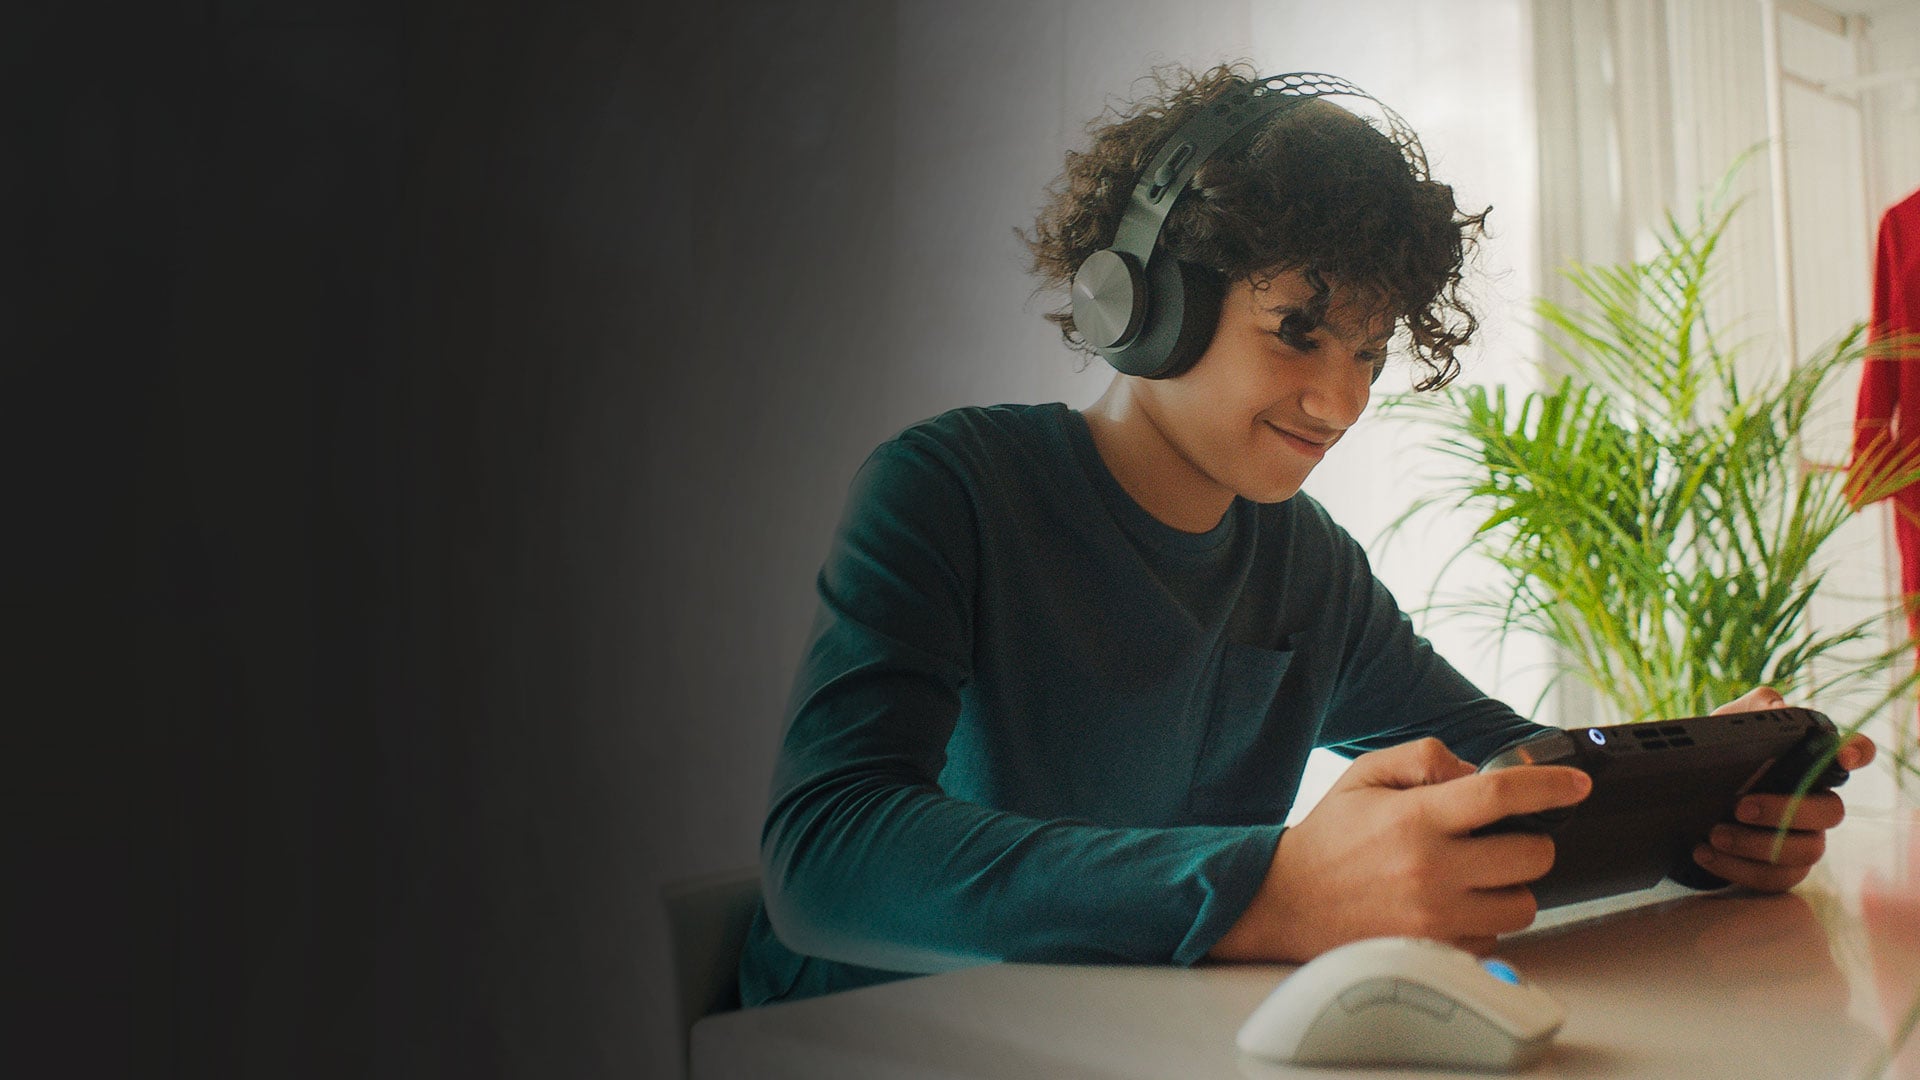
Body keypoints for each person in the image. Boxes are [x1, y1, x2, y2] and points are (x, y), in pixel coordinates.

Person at [737, 63, 1877, 1007]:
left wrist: (1693, 809)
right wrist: (1265, 888)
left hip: (1121, 1038)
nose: (1340, 404)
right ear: (1145, 300)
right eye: (1299, 334)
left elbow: (1506, 762)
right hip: (862, 1038)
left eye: (1371, 355)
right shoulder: (948, 489)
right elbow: (825, 857)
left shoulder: (1305, 563)